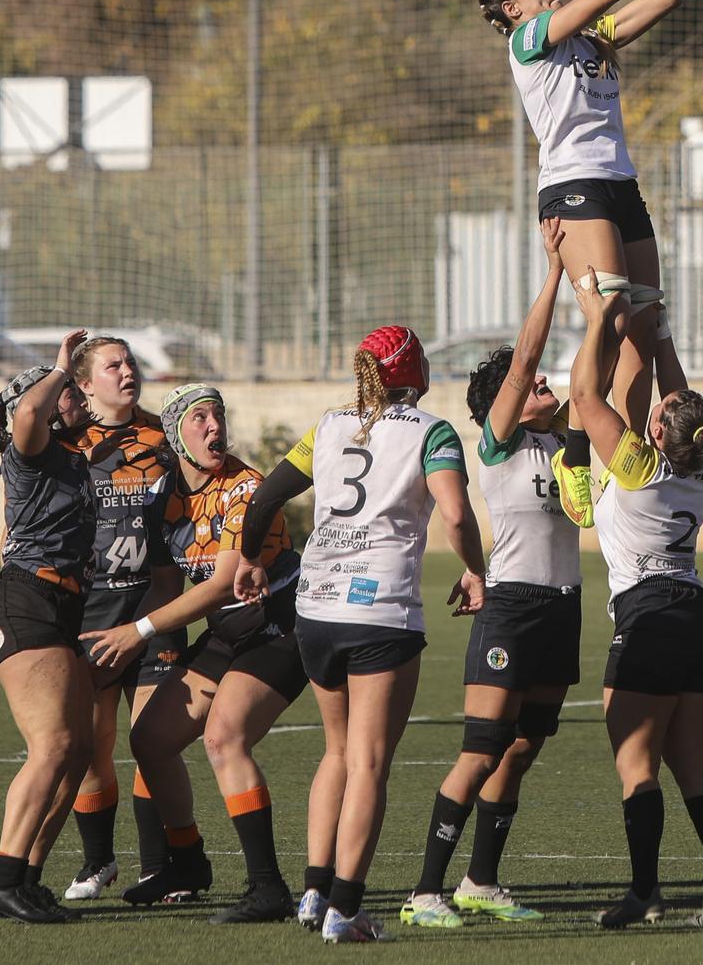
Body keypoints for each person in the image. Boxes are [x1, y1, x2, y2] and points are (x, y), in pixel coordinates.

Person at [235, 325, 488, 944]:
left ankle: (315, 892)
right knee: (370, 763)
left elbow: (264, 498)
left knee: (338, 753)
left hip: (315, 607)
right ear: (413, 370)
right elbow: (454, 512)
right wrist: (479, 569)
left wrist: (249, 559)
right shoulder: (432, 432)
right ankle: (346, 911)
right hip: (379, 610)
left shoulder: (327, 425)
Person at [478, 0, 703, 434]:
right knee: (613, 315)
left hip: (620, 183)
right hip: (572, 186)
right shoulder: (527, 41)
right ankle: (580, 449)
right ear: (514, 7)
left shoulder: (590, 39)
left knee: (646, 326)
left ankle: (625, 464)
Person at [558, 269, 703, 930]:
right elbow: (680, 397)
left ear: (658, 431)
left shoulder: (637, 462)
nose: (654, 409)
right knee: (692, 764)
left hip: (650, 615)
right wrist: (658, 329)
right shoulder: (702, 465)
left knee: (638, 767)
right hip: (699, 617)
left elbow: (583, 393)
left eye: (657, 414)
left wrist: (599, 317)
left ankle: (644, 891)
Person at [405, 223, 580, 928]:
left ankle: (481, 879)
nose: (542, 381)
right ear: (498, 402)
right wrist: (555, 272)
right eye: (528, 382)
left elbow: (601, 381)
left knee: (522, 747)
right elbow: (528, 357)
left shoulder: (565, 436)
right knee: (480, 749)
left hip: (561, 607)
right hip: (509, 606)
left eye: (541, 381)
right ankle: (424, 890)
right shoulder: (498, 442)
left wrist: (621, 315)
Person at [82, 383, 308, 923]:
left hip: (282, 623)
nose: (214, 427)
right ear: (176, 435)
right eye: (199, 418)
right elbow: (166, 586)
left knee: (223, 737)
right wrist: (145, 638)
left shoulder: (246, 486)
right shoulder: (166, 499)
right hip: (229, 633)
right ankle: (187, 861)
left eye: (218, 416)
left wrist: (137, 631)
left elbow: (223, 581)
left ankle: (267, 888)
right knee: (150, 740)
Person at [62, 335, 199, 905]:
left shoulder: (163, 439)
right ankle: (99, 862)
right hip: (90, 617)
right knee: (88, 744)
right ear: (85, 383)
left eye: (131, 363)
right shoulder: (64, 446)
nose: (128, 372)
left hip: (154, 611)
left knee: (151, 741)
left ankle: (160, 867)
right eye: (113, 365)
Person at [0, 334, 97, 923]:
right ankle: (2, 879)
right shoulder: (32, 446)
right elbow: (25, 411)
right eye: (68, 393)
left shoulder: (74, 457)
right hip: (26, 600)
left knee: (76, 754)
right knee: (51, 747)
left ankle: (25, 877)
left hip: (62, 607)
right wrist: (59, 367)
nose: (74, 396)